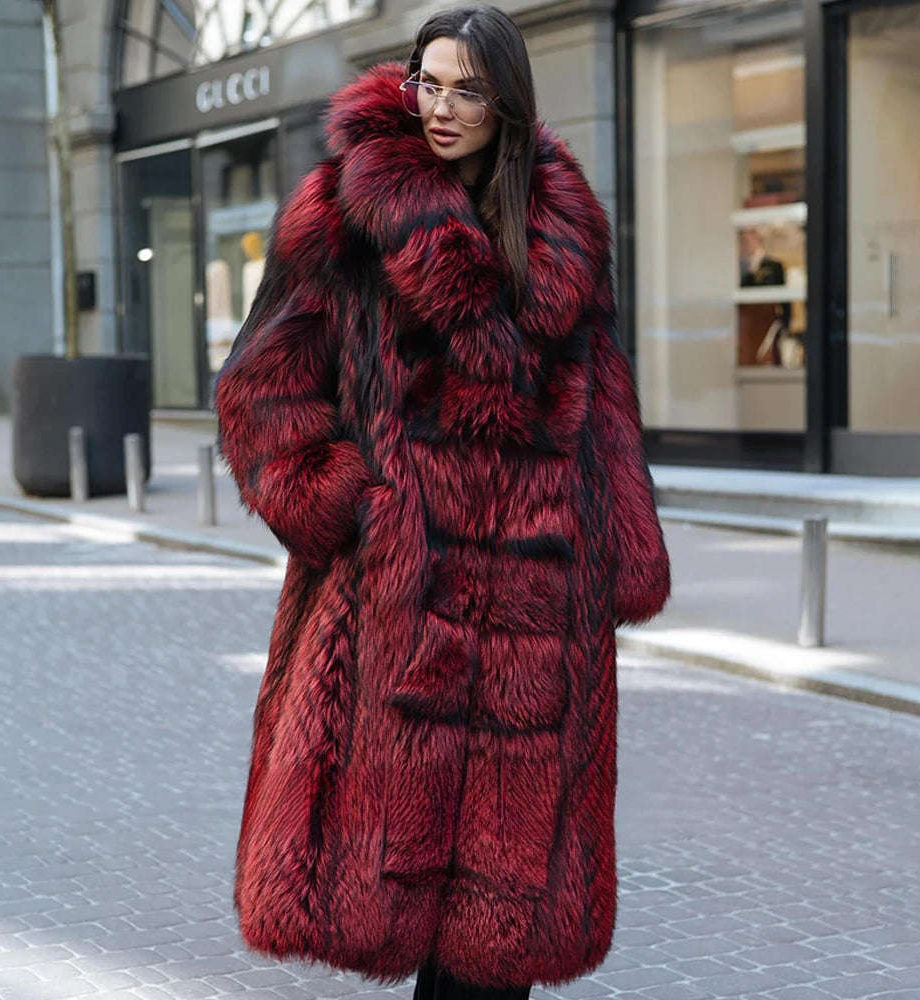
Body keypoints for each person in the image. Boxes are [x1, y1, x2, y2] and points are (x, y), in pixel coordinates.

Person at [215, 5, 670, 996]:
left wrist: (619, 546)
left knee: (497, 939)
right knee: (401, 889)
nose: (443, 108)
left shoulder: (562, 228)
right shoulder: (345, 211)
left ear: (508, 103)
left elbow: (606, 402)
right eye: (430, 82)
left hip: (534, 617)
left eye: (470, 89)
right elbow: (260, 387)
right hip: (399, 606)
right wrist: (346, 502)